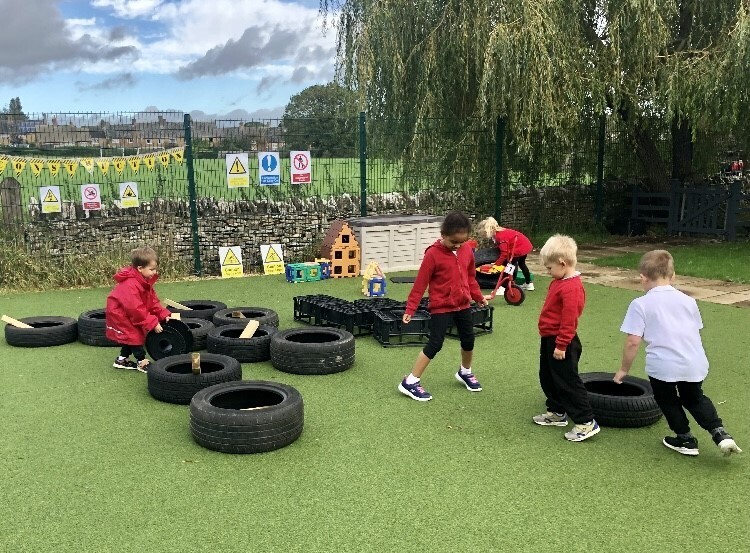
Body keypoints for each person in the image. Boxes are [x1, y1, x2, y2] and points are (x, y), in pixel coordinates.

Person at [614, 250, 742, 457]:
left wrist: (623, 369)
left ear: (643, 278)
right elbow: (694, 329)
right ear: (673, 276)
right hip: (694, 362)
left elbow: (633, 341)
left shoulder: (640, 304)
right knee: (695, 398)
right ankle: (720, 433)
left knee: (668, 400)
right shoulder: (689, 301)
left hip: (663, 366)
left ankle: (685, 439)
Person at [398, 211, 488, 401]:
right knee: (435, 343)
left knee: (468, 339)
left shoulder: (466, 250)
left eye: (462, 242)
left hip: (463, 304)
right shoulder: (433, 254)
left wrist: (478, 297)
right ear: (443, 235)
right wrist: (410, 308)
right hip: (441, 306)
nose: (458, 245)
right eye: (454, 242)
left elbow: (470, 277)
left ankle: (465, 371)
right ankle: (410, 381)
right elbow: (420, 283)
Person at [533, 234, 599, 442]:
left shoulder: (572, 287)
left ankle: (586, 422)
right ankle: (557, 411)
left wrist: (561, 345)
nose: (548, 272)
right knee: (548, 376)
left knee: (567, 382)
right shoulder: (559, 281)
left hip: (563, 341)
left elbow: (570, 319)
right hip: (550, 338)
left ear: (562, 263)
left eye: (549, 268)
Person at [105, 246, 172, 373]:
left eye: (155, 269)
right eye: (151, 269)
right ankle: (141, 361)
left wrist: (162, 314)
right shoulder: (130, 284)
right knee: (135, 336)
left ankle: (121, 360)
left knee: (130, 336)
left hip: (128, 312)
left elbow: (152, 301)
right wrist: (152, 322)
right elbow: (135, 309)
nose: (154, 272)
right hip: (120, 314)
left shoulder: (144, 281)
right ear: (140, 268)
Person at [476, 217, 534, 291]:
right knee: (521, 264)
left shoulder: (500, 236)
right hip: (524, 245)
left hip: (518, 248)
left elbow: (504, 253)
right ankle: (529, 284)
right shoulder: (500, 232)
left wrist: (497, 264)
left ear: (487, 230)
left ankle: (504, 286)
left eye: (484, 233)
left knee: (509, 266)